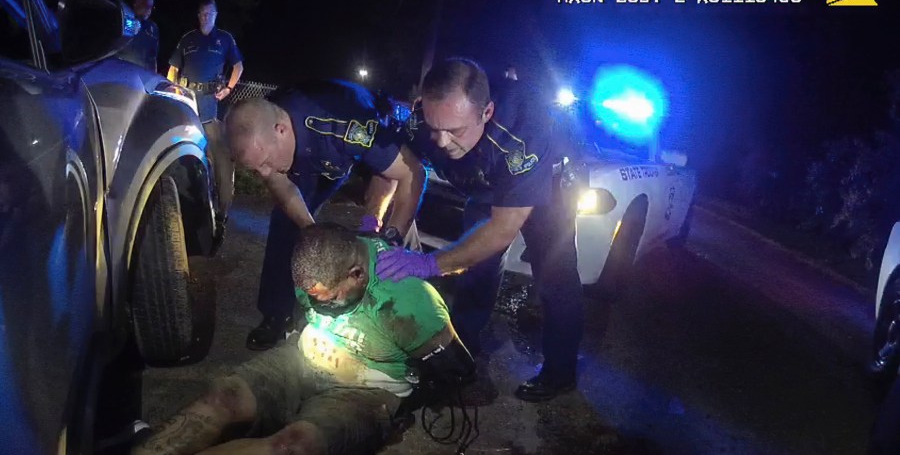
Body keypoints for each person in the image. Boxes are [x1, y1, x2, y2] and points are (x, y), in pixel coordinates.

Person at [131, 224, 475, 455]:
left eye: (329, 298)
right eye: (313, 296)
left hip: (368, 389)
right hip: (305, 357)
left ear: (356, 275)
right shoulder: (314, 266)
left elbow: (455, 370)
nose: (320, 303)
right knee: (225, 395)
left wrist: (399, 412)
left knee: (293, 445)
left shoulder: (407, 302)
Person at [375, 58, 583, 402]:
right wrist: (382, 225)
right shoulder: (425, 122)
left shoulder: (519, 137)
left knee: (555, 278)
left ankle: (560, 372)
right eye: (433, 126)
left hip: (549, 190)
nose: (440, 141)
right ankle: (463, 356)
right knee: (475, 271)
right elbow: (394, 168)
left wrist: (430, 264)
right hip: (486, 187)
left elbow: (503, 228)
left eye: (454, 131)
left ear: (485, 113)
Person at [224, 79, 426, 351]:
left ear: (281, 130)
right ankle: (276, 314)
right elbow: (282, 188)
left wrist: (383, 231)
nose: (262, 173)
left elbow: (404, 174)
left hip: (343, 152)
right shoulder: (267, 137)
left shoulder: (346, 123)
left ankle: (411, 318)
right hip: (304, 162)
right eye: (255, 169)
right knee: (285, 224)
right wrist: (311, 232)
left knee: (395, 232)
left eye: (264, 164)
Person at [168, 0, 244, 216]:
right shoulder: (188, 39)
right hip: (187, 108)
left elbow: (238, 66)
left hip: (211, 110)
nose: (205, 17)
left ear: (216, 15)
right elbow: (173, 69)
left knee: (221, 157)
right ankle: (181, 204)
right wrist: (173, 92)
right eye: (202, 13)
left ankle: (223, 210)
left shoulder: (224, 39)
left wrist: (229, 88)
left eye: (209, 13)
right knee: (182, 154)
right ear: (198, 15)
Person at [118, 0, 159, 71]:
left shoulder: (153, 28)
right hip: (120, 72)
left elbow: (153, 56)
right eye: (145, 5)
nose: (148, 10)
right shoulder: (124, 21)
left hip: (142, 75)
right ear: (135, 4)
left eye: (150, 7)